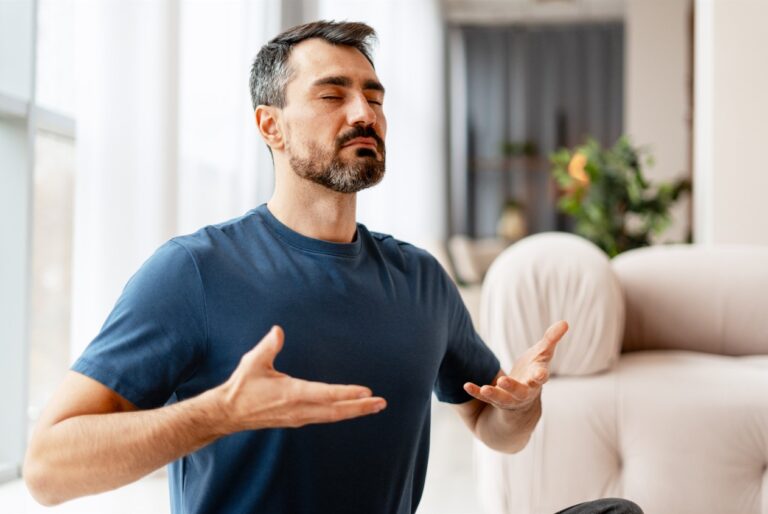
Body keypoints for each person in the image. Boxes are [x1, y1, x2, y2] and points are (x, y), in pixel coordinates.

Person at [23, 20, 642, 514]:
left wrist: (520, 408)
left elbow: (490, 424)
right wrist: (217, 414)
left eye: (374, 96)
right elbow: (48, 469)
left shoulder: (421, 278)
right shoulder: (195, 272)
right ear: (271, 126)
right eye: (332, 94)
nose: (363, 113)